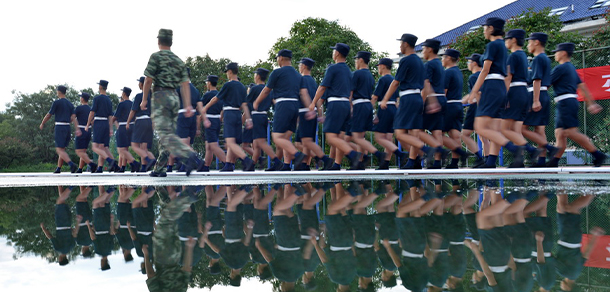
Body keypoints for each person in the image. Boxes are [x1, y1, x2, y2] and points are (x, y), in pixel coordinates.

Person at [468, 17, 526, 168]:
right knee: (494, 129)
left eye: (485, 28)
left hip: (492, 86)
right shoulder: (503, 47)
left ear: (491, 28)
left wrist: (474, 91)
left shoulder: (493, 45)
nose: (483, 31)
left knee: (480, 127)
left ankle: (516, 149)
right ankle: (491, 161)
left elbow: (485, 69)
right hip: (500, 87)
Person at [141, 28, 199, 177]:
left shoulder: (156, 57)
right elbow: (185, 84)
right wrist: (187, 105)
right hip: (174, 97)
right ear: (171, 42)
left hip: (161, 96)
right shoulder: (178, 60)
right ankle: (160, 168)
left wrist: (144, 100)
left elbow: (148, 80)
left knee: (164, 134)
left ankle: (189, 156)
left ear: (158, 41)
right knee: (167, 134)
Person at [379, 34, 442, 169]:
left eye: (401, 43)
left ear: (406, 44)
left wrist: (385, 99)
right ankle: (414, 161)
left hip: (408, 98)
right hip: (417, 98)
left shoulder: (406, 60)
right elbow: (426, 84)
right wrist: (431, 100)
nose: (400, 46)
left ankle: (427, 151)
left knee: (399, 133)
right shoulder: (420, 61)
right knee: (414, 132)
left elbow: (396, 82)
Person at [546, 42, 607, 167]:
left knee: (571, 132)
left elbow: (546, 84)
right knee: (560, 134)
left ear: (563, 53)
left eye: (556, 52)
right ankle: (554, 162)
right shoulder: (571, 68)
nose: (555, 55)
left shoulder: (560, 68)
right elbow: (582, 86)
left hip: (565, 103)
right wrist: (591, 103)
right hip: (568, 102)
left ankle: (598, 155)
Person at [253, 49, 312, 171]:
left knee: (277, 137)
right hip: (295, 106)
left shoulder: (277, 72)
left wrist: (257, 102)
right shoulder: (297, 75)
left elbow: (266, 90)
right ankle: (285, 164)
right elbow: (304, 94)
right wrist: (310, 108)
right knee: (285, 138)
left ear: (280, 58)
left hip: (283, 105)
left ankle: (298, 156)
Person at [309, 43, 361, 170]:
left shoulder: (333, 68)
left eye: (334, 51)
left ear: (337, 53)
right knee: (340, 137)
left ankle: (353, 155)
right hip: (345, 105)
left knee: (331, 137)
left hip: (336, 104)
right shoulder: (348, 71)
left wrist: (312, 103)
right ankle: (337, 164)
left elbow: (322, 87)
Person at [202, 62, 254, 172]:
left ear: (230, 72)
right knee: (233, 142)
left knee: (230, 142)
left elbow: (216, 99)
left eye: (227, 72)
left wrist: (205, 108)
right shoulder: (241, 86)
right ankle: (229, 164)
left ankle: (246, 160)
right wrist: (248, 118)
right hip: (237, 114)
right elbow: (244, 104)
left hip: (229, 114)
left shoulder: (228, 85)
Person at [142, 189, 198, 292]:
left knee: (170, 220)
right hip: (162, 257)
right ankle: (187, 197)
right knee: (166, 220)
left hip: (176, 255)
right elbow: (151, 275)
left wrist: (189, 248)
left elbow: (187, 269)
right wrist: (146, 255)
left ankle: (162, 191)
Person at [502, 29, 540, 167]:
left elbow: (508, 77)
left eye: (507, 39)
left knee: (503, 128)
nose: (505, 41)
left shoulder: (512, 56)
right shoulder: (523, 55)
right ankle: (519, 161)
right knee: (515, 130)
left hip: (514, 91)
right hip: (523, 91)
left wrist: (504, 97)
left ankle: (531, 150)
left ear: (513, 40)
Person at [523, 33, 559, 167]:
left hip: (536, 95)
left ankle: (549, 148)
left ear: (536, 42)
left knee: (521, 128)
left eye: (529, 42)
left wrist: (535, 100)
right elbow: (547, 82)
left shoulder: (538, 59)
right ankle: (542, 160)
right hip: (543, 94)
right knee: (539, 130)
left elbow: (536, 80)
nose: (528, 45)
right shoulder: (545, 59)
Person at [350, 51, 386, 169]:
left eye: (356, 59)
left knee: (356, 137)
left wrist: (349, 107)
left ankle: (378, 154)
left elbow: (351, 92)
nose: (355, 62)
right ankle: (360, 162)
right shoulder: (370, 75)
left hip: (359, 105)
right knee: (361, 136)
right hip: (367, 106)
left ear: (360, 60)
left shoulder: (357, 74)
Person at [296, 58, 332, 171]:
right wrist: (320, 114)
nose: (299, 67)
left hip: (305, 112)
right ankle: (305, 164)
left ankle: (322, 158)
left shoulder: (300, 79)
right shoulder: (312, 81)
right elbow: (318, 100)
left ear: (304, 66)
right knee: (306, 141)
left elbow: (302, 95)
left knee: (302, 142)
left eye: (300, 65)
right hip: (313, 113)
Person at [39, 85, 79, 173]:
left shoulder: (56, 102)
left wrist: (42, 123)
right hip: (67, 127)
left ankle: (71, 164)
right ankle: (59, 168)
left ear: (59, 92)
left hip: (60, 126)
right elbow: (73, 117)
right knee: (62, 149)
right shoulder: (70, 104)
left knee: (59, 149)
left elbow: (49, 114)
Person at [248, 68, 282, 171]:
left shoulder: (254, 89)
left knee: (261, 142)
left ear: (258, 76)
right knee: (256, 143)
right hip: (264, 116)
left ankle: (276, 161)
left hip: (256, 116)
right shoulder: (269, 90)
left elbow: (247, 103)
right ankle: (252, 165)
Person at [371, 58, 403, 170]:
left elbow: (375, 96)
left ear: (383, 66)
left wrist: (371, 110)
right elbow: (398, 98)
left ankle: (400, 154)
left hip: (384, 107)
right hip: (394, 108)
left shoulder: (383, 80)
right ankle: (385, 163)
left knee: (378, 137)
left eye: (378, 66)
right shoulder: (394, 80)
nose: (378, 68)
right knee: (389, 137)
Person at [170, 68, 201, 172]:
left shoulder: (179, 88)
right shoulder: (195, 90)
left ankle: (198, 161)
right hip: (193, 115)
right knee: (187, 143)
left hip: (182, 114)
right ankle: (184, 166)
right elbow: (199, 107)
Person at [441, 49, 467, 169]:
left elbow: (444, 92)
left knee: (438, 134)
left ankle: (457, 153)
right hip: (458, 105)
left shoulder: (448, 72)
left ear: (448, 58)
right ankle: (455, 162)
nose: (442, 59)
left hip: (449, 105)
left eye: (443, 57)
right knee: (455, 135)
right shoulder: (458, 72)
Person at [86, 80, 120, 173]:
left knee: (95, 147)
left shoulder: (97, 99)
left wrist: (88, 124)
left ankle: (111, 162)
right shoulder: (109, 100)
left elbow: (92, 112)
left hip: (99, 123)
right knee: (103, 147)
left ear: (100, 87)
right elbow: (110, 116)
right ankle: (101, 167)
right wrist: (110, 128)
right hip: (106, 123)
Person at [40, 186, 79, 266]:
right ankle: (71, 186)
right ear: (61, 259)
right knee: (59, 201)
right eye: (59, 260)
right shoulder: (58, 249)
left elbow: (74, 233)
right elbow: (50, 236)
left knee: (62, 201)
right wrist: (43, 228)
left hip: (68, 223)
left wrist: (78, 222)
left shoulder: (71, 247)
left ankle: (59, 182)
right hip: (61, 223)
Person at [126, 76, 156, 172]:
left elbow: (133, 110)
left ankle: (148, 160)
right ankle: (148, 165)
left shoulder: (140, 96)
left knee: (134, 145)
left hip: (141, 121)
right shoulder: (152, 97)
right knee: (144, 148)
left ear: (142, 84)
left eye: (139, 82)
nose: (138, 84)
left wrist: (128, 122)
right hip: (149, 121)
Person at [462, 54, 487, 167]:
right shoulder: (483, 76)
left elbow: (478, 93)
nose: (468, 64)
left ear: (474, 63)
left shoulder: (474, 77)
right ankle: (487, 159)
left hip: (476, 108)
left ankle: (479, 158)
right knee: (483, 136)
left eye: (469, 61)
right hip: (484, 107)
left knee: (465, 134)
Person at [197, 75, 226, 172]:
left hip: (209, 120)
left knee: (213, 145)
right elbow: (223, 109)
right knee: (208, 146)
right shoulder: (220, 94)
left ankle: (227, 162)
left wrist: (199, 121)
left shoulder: (207, 95)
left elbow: (200, 108)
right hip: (217, 120)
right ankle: (206, 166)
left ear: (209, 83)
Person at [86, 186, 116, 271]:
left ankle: (107, 188)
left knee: (105, 202)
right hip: (99, 227)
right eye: (101, 264)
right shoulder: (98, 251)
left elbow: (111, 233)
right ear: (103, 263)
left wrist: (111, 221)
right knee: (96, 203)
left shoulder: (110, 249)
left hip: (106, 226)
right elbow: (93, 238)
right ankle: (110, 190)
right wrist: (88, 225)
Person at [112, 87, 140, 172]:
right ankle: (123, 167)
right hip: (132, 126)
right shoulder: (132, 103)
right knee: (126, 148)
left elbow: (115, 116)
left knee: (121, 149)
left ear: (124, 93)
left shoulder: (122, 104)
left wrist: (110, 123)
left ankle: (134, 163)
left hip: (123, 126)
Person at [73, 92, 97, 173]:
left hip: (81, 130)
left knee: (78, 151)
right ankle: (80, 169)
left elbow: (72, 118)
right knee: (83, 152)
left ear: (82, 99)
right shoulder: (90, 109)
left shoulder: (79, 108)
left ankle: (91, 164)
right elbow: (93, 120)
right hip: (89, 130)